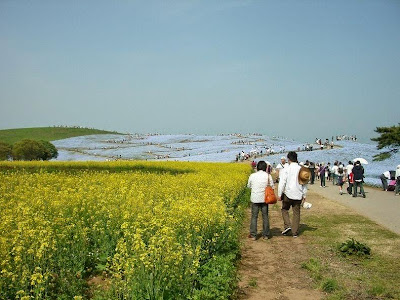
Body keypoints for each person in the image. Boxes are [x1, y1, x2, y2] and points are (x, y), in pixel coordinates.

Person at [277, 151, 308, 238]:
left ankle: (288, 225)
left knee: (284, 209)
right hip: (298, 193)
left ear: (288, 159)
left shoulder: (286, 169)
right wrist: (304, 195)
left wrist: (279, 194)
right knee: (296, 212)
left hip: (288, 193)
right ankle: (295, 232)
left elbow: (282, 182)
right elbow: (304, 184)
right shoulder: (302, 169)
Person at [247, 160, 274, 240]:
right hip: (265, 199)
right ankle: (266, 235)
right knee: (265, 216)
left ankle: (253, 235)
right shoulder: (268, 176)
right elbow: (272, 186)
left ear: (257, 167)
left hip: (255, 198)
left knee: (254, 217)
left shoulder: (252, 175)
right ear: (265, 168)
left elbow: (249, 186)